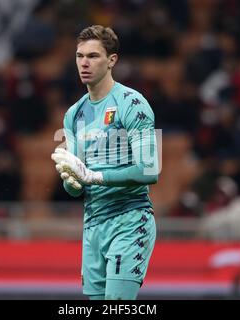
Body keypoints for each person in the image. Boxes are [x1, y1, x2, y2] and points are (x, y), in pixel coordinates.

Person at [51, 25, 159, 300]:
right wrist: (70, 179)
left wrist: (93, 176)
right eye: (79, 56)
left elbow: (150, 170)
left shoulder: (131, 103)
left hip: (130, 219)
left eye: (93, 56)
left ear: (112, 60)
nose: (84, 63)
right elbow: (76, 189)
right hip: (93, 227)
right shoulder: (74, 115)